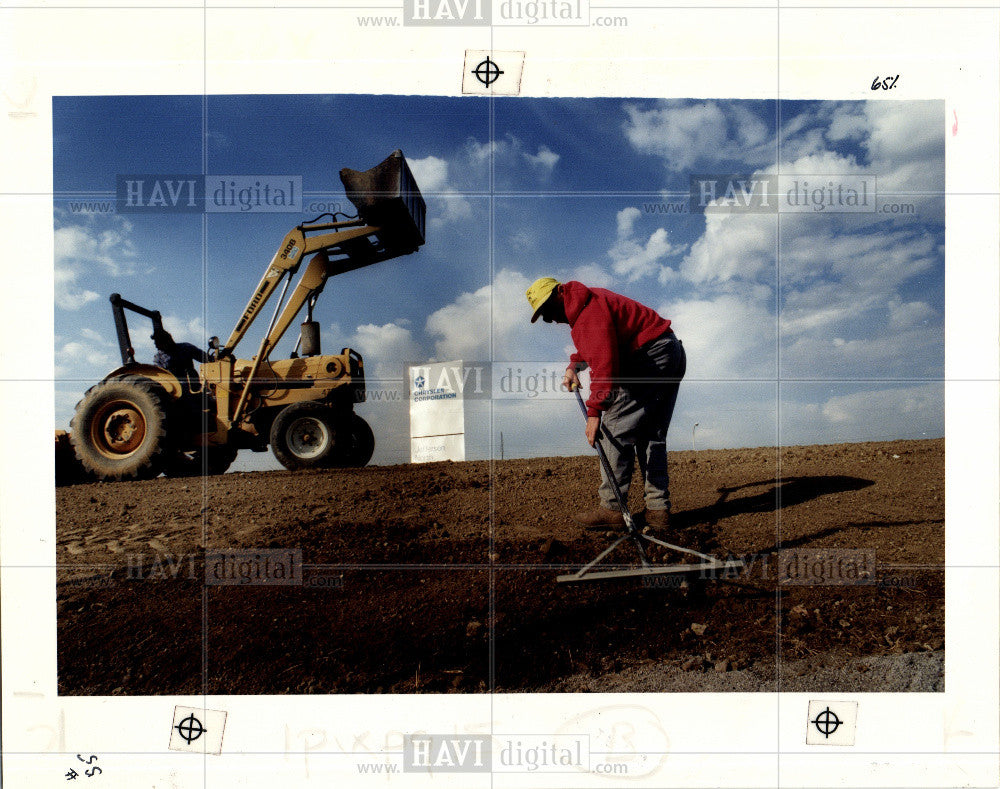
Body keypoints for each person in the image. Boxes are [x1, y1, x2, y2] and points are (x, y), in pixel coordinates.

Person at [526, 277, 686, 528]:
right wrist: (574, 366)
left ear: (560, 291)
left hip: (649, 357)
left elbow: (605, 367)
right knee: (650, 433)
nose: (550, 319)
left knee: (612, 429)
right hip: (669, 350)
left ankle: (612, 509)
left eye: (548, 309)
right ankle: (658, 511)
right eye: (543, 316)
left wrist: (594, 413)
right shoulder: (587, 305)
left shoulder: (587, 313)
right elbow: (595, 347)